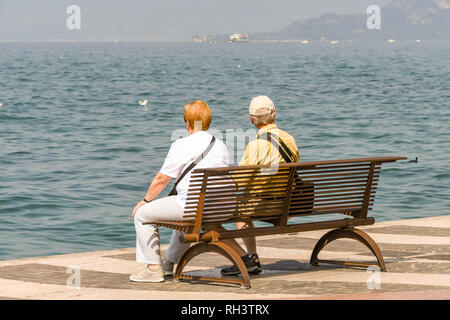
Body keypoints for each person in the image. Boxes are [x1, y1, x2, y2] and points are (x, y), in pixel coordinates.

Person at [130, 100, 230, 282]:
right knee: (186, 212)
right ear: (208, 121)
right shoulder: (220, 145)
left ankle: (153, 269)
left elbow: (162, 179)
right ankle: (168, 264)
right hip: (220, 208)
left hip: (194, 207)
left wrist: (144, 201)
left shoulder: (182, 144)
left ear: (187, 123)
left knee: (142, 215)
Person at [220, 95, 300, 276]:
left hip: (263, 206)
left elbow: (238, 181)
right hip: (287, 204)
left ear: (251, 119)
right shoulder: (290, 139)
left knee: (239, 210)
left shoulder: (256, 146)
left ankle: (250, 257)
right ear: (275, 114)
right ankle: (251, 258)